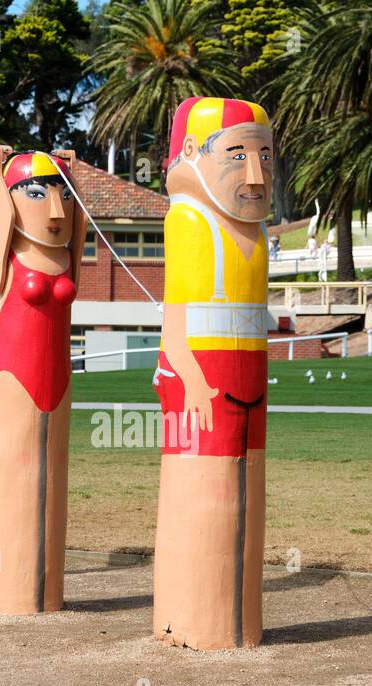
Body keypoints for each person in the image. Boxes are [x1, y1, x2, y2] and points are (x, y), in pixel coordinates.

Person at [152, 96, 277, 650]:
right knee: (206, 495)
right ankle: (196, 620)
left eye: (267, 158)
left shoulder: (255, 234)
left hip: (248, 381)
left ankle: (234, 620)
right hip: (201, 383)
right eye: (237, 156)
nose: (256, 176)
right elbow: (177, 323)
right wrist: (196, 382)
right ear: (190, 155)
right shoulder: (188, 220)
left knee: (246, 491)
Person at [0, 146, 87, 614]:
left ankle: (47, 592)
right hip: (15, 381)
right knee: (20, 472)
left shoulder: (68, 260)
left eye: (62, 195)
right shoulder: (8, 261)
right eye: (37, 193)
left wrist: (73, 178)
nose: (54, 208)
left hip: (59, 381)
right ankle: (15, 591)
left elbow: (79, 221)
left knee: (53, 477)